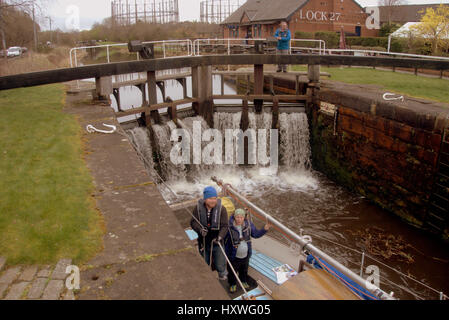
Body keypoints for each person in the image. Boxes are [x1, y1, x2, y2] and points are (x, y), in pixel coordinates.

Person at [224, 208, 270, 293]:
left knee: (244, 270)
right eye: (237, 217)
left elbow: (256, 234)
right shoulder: (229, 227)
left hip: (246, 255)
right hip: (233, 256)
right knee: (232, 271)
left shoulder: (249, 225)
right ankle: (232, 284)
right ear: (234, 217)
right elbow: (224, 240)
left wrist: (265, 229)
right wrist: (227, 254)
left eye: (241, 217)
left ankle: (243, 281)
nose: (239, 219)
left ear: (244, 217)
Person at [190, 186, 229, 280]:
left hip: (217, 242)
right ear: (205, 199)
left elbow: (225, 226)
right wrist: (199, 229)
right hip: (203, 241)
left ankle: (222, 276)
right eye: (210, 198)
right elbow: (193, 222)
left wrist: (220, 237)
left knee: (220, 263)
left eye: (215, 198)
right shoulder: (198, 209)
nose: (213, 201)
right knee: (204, 262)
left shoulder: (222, 209)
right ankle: (206, 278)